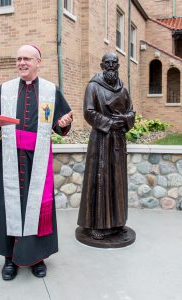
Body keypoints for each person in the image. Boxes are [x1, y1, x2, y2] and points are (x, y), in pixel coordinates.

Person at [0, 44, 73, 280]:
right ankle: (9, 259)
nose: (21, 62)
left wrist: (62, 125)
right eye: (18, 59)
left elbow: (61, 123)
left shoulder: (51, 91)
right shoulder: (6, 89)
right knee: (9, 207)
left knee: (37, 208)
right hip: (10, 158)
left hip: (37, 161)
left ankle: (37, 258)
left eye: (26, 59)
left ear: (38, 62)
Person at [77, 52, 135, 241]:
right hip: (101, 141)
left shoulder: (123, 90)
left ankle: (117, 222)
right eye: (107, 63)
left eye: (114, 63)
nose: (111, 66)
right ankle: (97, 224)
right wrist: (110, 123)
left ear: (118, 66)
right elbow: (88, 112)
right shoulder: (93, 87)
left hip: (118, 140)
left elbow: (131, 111)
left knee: (117, 180)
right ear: (102, 65)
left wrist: (124, 120)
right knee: (100, 181)